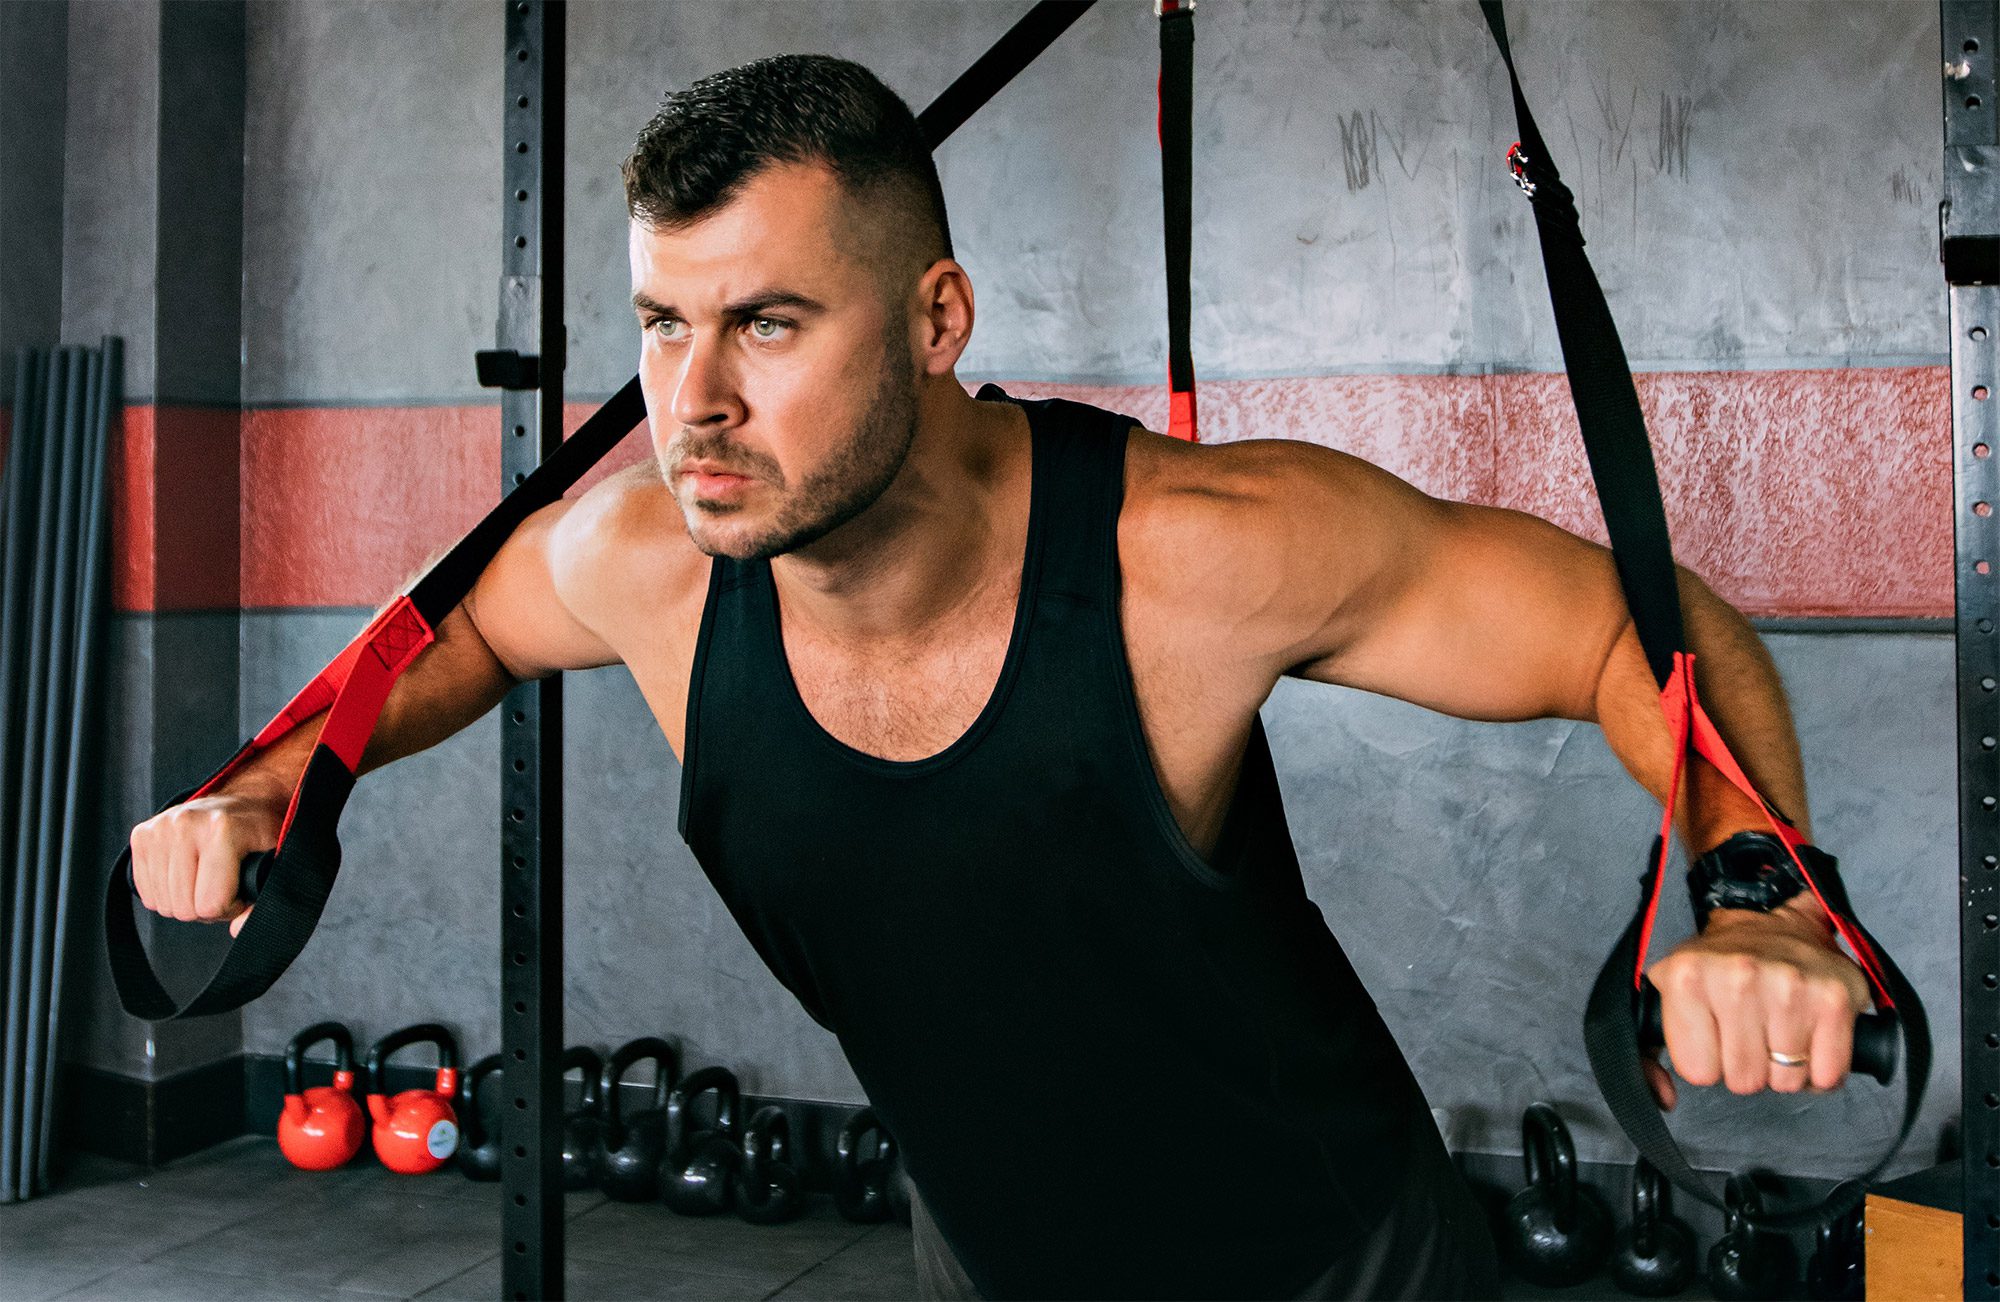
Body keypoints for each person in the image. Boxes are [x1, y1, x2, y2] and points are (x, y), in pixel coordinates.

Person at [128, 54, 1872, 1300]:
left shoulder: (1194, 550)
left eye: (769, 322)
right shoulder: (644, 560)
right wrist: (279, 779)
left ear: (937, 318)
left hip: (1336, 1265)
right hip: (984, 1257)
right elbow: (463, 627)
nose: (696, 401)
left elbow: (1633, 630)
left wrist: (1759, 892)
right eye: (664, 323)